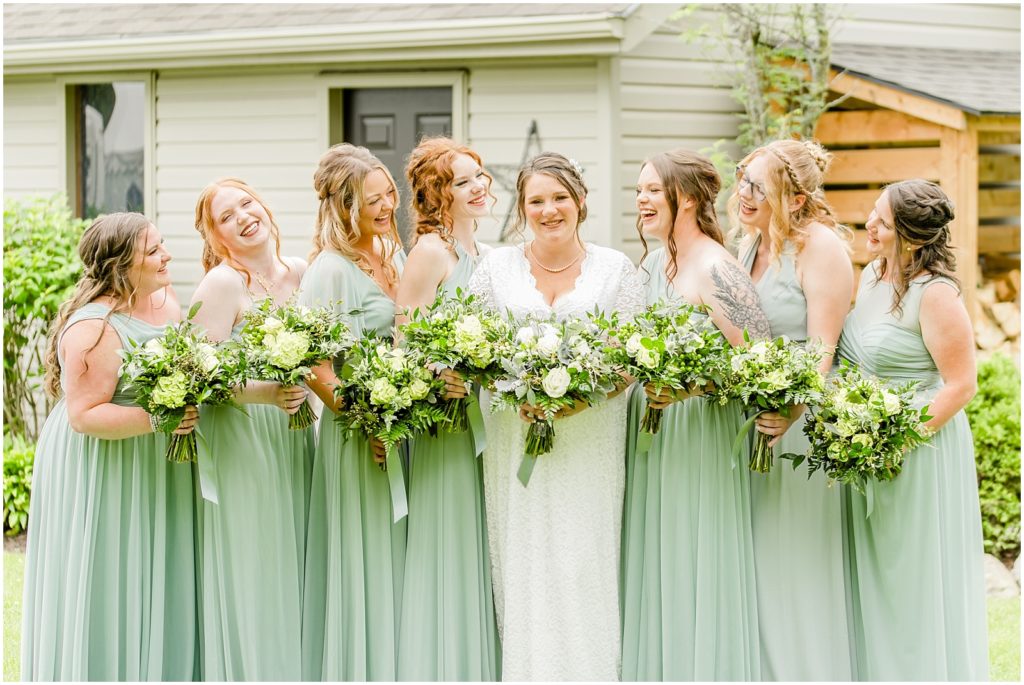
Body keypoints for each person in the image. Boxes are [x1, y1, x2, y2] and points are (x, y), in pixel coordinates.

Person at [468, 152, 643, 681]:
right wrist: (508, 387)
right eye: (536, 201)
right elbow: (475, 351)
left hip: (589, 437)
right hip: (513, 433)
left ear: (581, 201)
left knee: (582, 560)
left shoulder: (616, 269)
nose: (549, 211)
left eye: (560, 198)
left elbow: (629, 361)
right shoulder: (495, 267)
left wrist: (576, 401)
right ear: (522, 209)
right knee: (524, 562)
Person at [21, 213, 199, 681]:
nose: (167, 256)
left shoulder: (163, 299)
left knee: (155, 569)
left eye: (162, 245)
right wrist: (162, 418)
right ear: (122, 265)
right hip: (103, 457)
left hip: (151, 453)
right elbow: (84, 417)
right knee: (109, 572)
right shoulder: (94, 327)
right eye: (154, 251)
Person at [621, 149, 770, 681]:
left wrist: (688, 387)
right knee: (657, 562)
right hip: (652, 437)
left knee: (691, 558)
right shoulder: (652, 262)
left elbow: (762, 363)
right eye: (638, 190)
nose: (640, 200)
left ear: (684, 199)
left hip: (698, 435)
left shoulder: (716, 267)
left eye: (652, 190)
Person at [839, 180, 988, 680]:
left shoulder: (936, 294)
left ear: (913, 237)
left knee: (914, 578)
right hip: (864, 447)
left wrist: (892, 439)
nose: (869, 225)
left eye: (881, 220)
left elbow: (961, 385)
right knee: (876, 574)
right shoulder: (871, 276)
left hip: (918, 450)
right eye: (872, 214)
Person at [729, 139, 855, 680]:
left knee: (794, 566)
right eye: (742, 179)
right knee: (755, 566)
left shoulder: (820, 248)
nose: (743, 193)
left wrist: (794, 408)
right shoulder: (747, 247)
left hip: (795, 430)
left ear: (796, 199)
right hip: (746, 426)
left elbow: (824, 345)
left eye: (758, 185)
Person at [190, 178, 314, 680]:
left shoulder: (303, 272)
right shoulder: (223, 284)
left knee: (301, 553)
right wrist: (266, 392)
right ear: (217, 237)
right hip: (245, 436)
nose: (243, 216)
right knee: (257, 563)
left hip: (299, 435)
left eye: (247, 203)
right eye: (227, 216)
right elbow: (195, 374)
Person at [299, 143, 408, 681]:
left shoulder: (392, 253)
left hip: (401, 424)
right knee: (366, 557)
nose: (388, 205)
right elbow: (317, 369)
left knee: (399, 555)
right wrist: (368, 420)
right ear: (344, 206)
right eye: (374, 199)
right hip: (358, 435)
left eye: (389, 193)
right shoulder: (330, 271)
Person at [394, 137, 500, 681]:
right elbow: (404, 346)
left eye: (479, 175)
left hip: (491, 419)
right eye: (462, 181)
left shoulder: (485, 252)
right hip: (447, 426)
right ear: (438, 195)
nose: (479, 187)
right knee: (451, 543)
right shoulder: (431, 253)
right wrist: (444, 378)